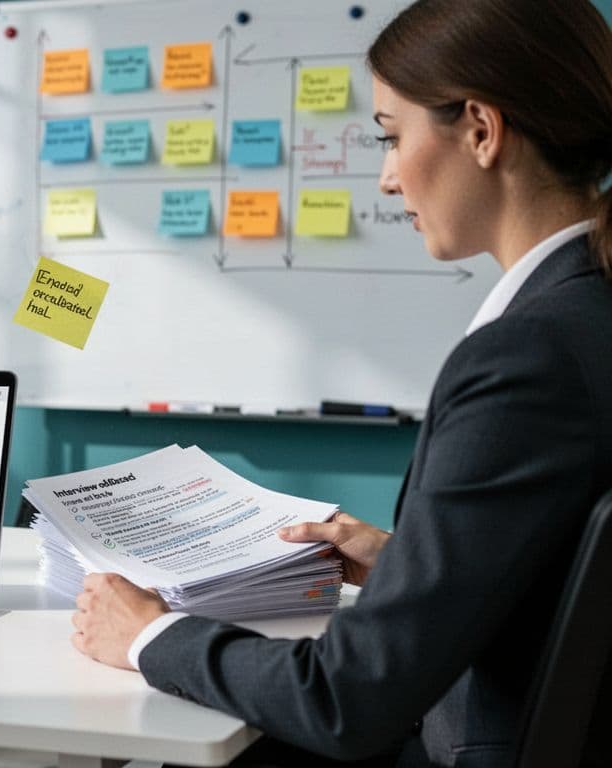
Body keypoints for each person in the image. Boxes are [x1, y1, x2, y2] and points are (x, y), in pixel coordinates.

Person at [69, 0, 612, 766]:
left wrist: (150, 635)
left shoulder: (528, 356)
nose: (388, 180)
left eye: (392, 137)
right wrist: (406, 562)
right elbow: (560, 588)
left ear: (482, 132)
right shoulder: (589, 309)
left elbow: (346, 699)